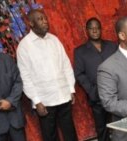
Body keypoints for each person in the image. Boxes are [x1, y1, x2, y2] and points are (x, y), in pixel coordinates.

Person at [16, 9, 77, 141]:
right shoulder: (24, 46)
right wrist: (36, 100)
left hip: (63, 95)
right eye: (40, 19)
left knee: (70, 133)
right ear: (31, 23)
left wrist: (71, 89)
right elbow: (25, 77)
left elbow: (66, 65)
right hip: (45, 101)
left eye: (45, 18)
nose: (44, 21)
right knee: (50, 136)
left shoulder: (54, 40)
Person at [74, 17, 117, 141]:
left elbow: (120, 66)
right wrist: (92, 91)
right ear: (86, 30)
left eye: (97, 28)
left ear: (101, 29)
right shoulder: (80, 51)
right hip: (97, 97)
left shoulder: (112, 46)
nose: (94, 30)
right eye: (91, 28)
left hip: (116, 94)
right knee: (102, 128)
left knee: (120, 125)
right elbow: (79, 74)